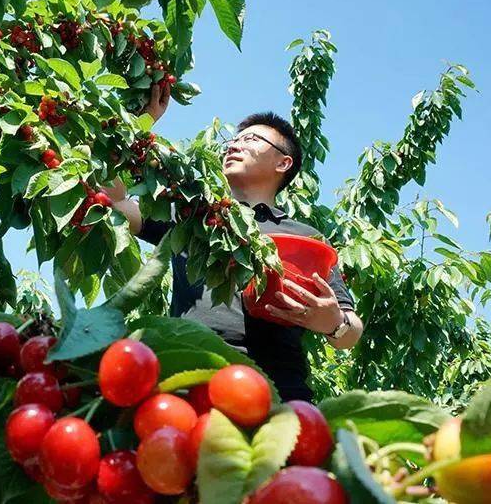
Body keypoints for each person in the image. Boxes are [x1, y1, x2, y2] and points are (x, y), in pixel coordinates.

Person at [105, 84, 364, 402]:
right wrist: (137, 123)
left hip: (278, 391)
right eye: (234, 140)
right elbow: (114, 203)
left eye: (251, 140)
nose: (234, 146)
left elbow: (351, 329)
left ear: (283, 163)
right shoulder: (193, 212)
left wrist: (334, 323)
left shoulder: (305, 237)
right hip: (191, 380)